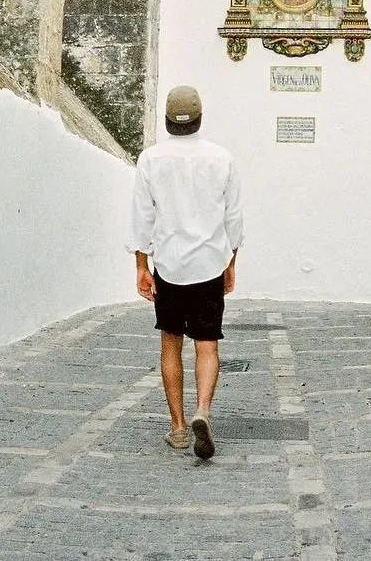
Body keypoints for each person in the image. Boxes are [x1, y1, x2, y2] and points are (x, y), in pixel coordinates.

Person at [128, 85, 243, 460]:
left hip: (170, 265)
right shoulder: (221, 158)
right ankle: (203, 411)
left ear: (166, 119)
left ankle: (178, 428)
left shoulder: (151, 159)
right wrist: (230, 262)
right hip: (208, 263)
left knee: (171, 343)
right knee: (207, 345)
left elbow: (143, 217)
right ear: (199, 119)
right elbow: (233, 217)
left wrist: (142, 266)